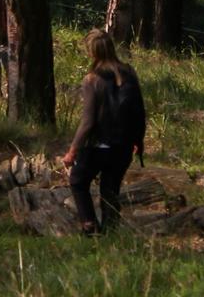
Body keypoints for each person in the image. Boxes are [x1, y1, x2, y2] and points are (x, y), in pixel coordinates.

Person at [61, 29, 147, 235]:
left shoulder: (92, 79)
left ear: (92, 53)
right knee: (110, 189)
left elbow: (88, 121)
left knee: (78, 181)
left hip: (98, 145)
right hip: (123, 145)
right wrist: (138, 140)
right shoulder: (130, 72)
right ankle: (111, 231)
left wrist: (73, 150)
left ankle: (89, 226)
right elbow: (139, 111)